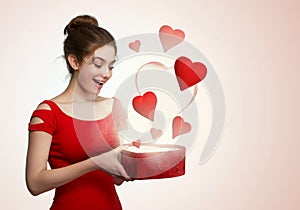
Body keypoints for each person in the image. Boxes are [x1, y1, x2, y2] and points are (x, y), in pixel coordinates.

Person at [26, 14, 130, 210]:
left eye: (110, 66)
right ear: (74, 62)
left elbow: (116, 178)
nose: (106, 73)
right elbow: (34, 183)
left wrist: (129, 167)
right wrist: (94, 163)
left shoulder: (114, 107)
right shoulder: (48, 112)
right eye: (98, 64)